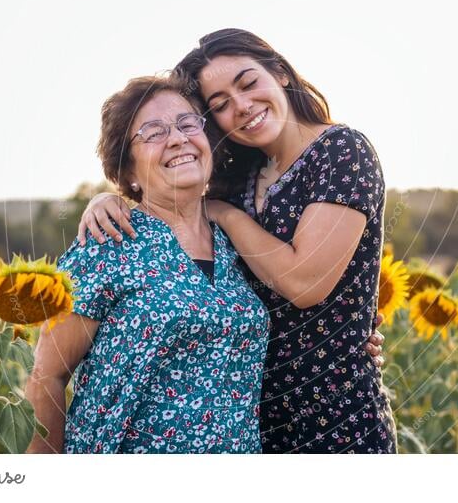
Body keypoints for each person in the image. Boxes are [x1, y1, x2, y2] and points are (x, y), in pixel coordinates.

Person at [79, 29, 396, 453]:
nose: (242, 107)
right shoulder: (240, 175)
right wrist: (109, 199)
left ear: (280, 73)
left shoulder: (341, 151)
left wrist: (224, 214)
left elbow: (305, 283)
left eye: (248, 84)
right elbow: (171, 199)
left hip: (335, 417)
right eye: (221, 105)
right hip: (250, 425)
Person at [26, 76, 269, 453]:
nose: (177, 138)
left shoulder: (239, 242)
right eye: (153, 132)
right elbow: (47, 376)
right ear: (128, 173)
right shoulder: (108, 241)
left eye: (188, 124)